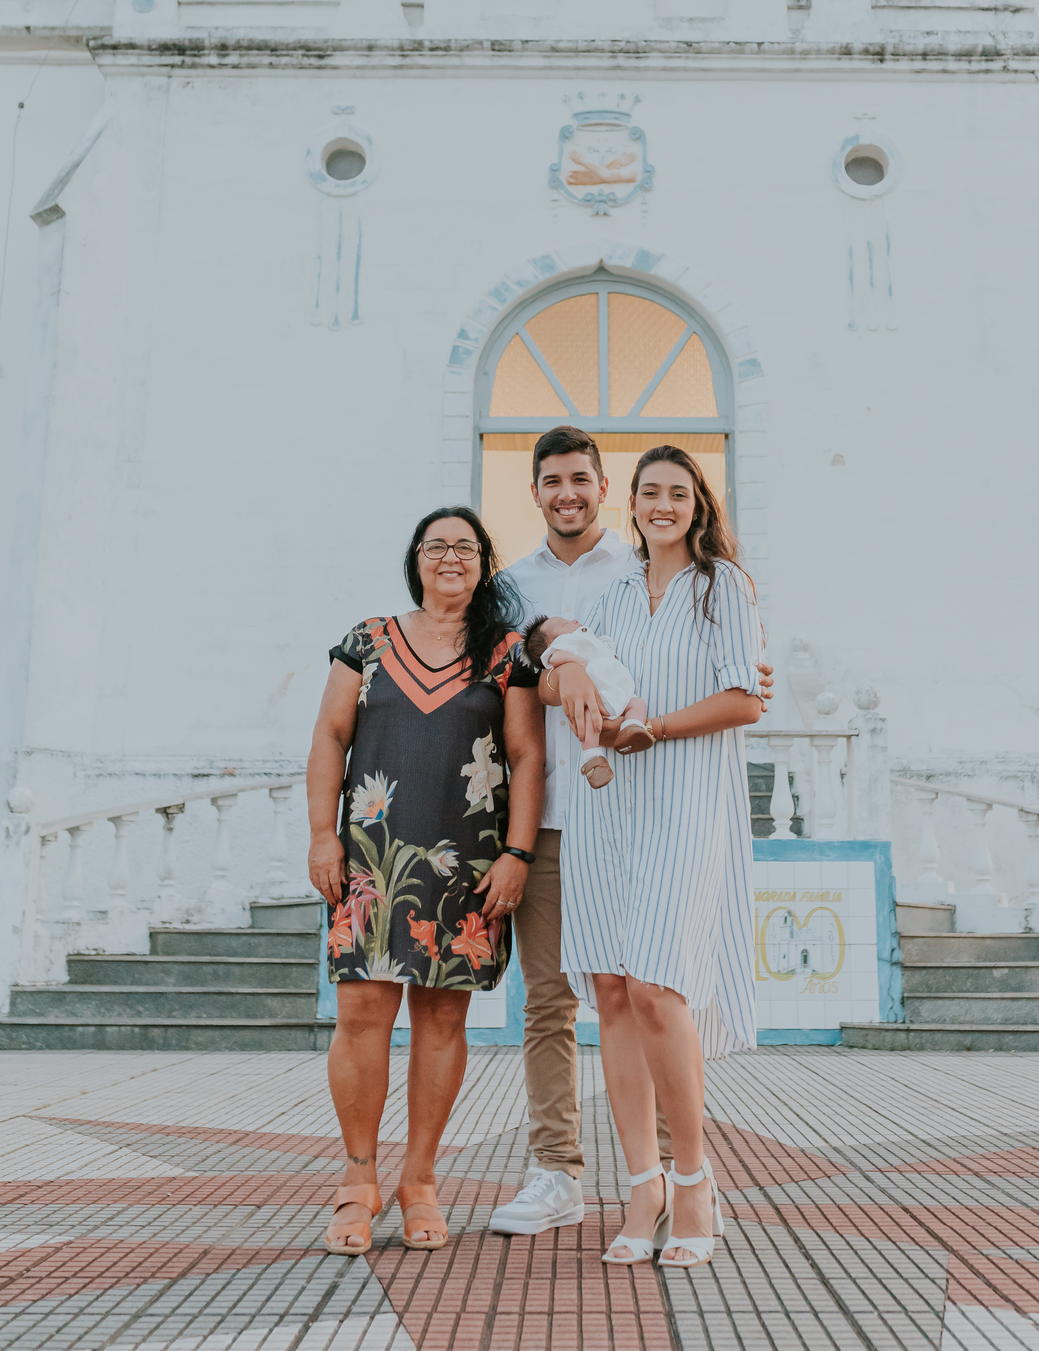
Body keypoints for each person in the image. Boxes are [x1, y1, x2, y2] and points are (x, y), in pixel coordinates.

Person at [491, 426, 773, 1240]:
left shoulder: (717, 583)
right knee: (592, 992)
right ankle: (612, 1186)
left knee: (656, 988)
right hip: (587, 813)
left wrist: (669, 722)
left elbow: (745, 691)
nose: (661, 506)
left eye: (675, 493)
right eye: (652, 493)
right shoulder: (558, 592)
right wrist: (567, 671)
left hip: (675, 801)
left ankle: (690, 1179)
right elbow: (540, 673)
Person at [306, 506, 544, 1255]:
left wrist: (518, 854)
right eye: (436, 546)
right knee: (362, 1014)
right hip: (372, 857)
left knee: (442, 1021)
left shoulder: (507, 651)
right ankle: (357, 1179)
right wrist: (322, 835)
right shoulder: (367, 641)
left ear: (483, 564)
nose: (450, 558)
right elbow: (330, 737)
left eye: (466, 548)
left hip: (467, 862)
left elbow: (528, 757)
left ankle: (418, 1180)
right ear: (416, 558)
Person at [520, 613, 652, 787]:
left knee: (637, 704)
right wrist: (575, 662)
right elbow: (554, 658)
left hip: (620, 691)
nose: (573, 621)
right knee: (590, 719)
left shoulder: (590, 638)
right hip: (598, 693)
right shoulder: (564, 645)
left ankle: (632, 728)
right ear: (552, 643)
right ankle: (592, 757)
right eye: (564, 624)